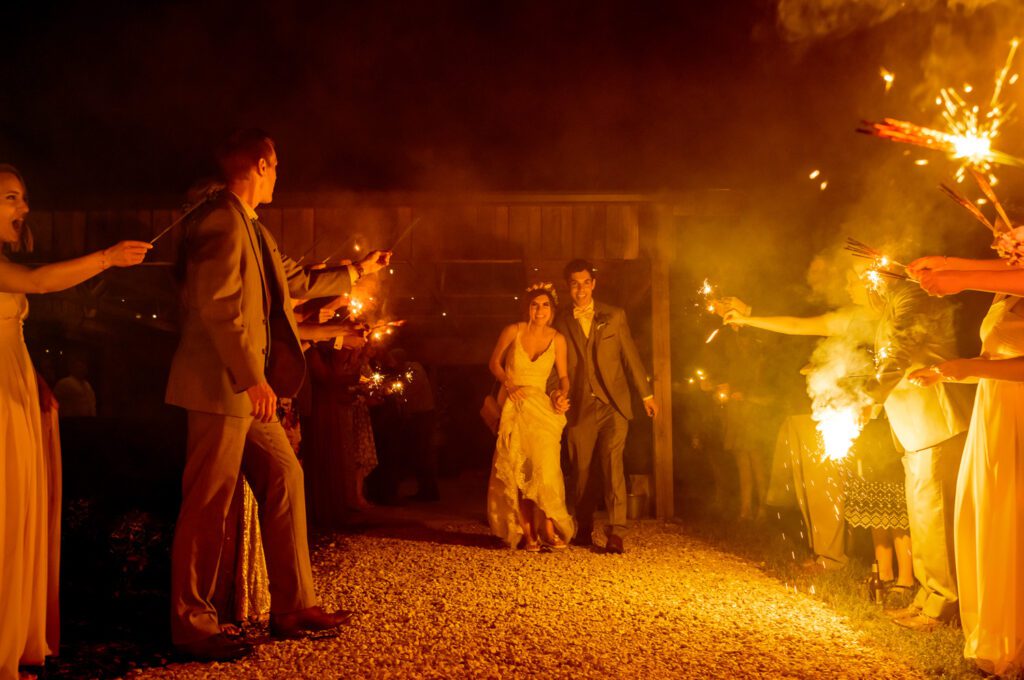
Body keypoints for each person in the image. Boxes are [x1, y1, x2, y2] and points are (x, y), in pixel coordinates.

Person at [164, 130, 391, 660]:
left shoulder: (250, 226)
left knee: (286, 474)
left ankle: (293, 606)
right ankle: (191, 625)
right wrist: (252, 377)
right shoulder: (222, 220)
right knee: (207, 503)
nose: (279, 173)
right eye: (277, 164)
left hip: (246, 391)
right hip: (223, 387)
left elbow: (289, 281)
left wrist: (357, 271)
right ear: (262, 164)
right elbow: (219, 307)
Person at [0, 164, 151, 679]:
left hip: (16, 384)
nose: (23, 209)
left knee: (19, 509)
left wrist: (39, 380)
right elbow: (40, 281)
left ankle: (13, 635)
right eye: (11, 198)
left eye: (23, 198)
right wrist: (108, 257)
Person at [721, 269, 912, 585]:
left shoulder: (897, 316)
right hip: (857, 413)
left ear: (870, 284)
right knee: (875, 498)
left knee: (892, 498)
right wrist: (752, 318)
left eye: (851, 281)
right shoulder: (851, 317)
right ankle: (883, 570)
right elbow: (797, 325)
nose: (846, 287)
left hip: (890, 415)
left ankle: (905, 576)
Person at [906, 255, 1024, 673]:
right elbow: (995, 362)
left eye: (1007, 236)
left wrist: (955, 275)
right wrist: (945, 372)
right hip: (994, 414)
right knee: (992, 521)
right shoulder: (1003, 287)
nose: (999, 245)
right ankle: (1002, 633)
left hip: (1019, 419)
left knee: (1016, 523)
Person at [861, 276, 972, 630]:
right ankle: (929, 596)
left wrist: (867, 396)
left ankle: (943, 605)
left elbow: (899, 350)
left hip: (937, 420)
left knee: (935, 517)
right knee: (924, 517)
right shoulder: (892, 303)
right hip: (917, 427)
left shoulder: (911, 295)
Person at [553, 260, 657, 554]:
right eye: (575, 283)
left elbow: (630, 356)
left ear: (594, 284)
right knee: (582, 470)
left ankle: (616, 532)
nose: (581, 289)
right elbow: (554, 365)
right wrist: (555, 394)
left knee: (613, 466)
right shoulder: (560, 321)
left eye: (586, 282)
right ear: (568, 286)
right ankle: (583, 526)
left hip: (613, 404)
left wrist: (646, 395)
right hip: (579, 404)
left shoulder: (614, 315)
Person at [487, 283, 574, 550]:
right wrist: (509, 384)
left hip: (542, 407)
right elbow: (494, 363)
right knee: (519, 467)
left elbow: (563, 377)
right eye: (535, 304)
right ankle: (528, 534)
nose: (540, 310)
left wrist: (561, 394)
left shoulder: (557, 338)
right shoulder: (514, 330)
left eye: (545, 305)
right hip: (514, 405)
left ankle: (547, 525)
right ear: (528, 307)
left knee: (545, 467)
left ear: (552, 310)